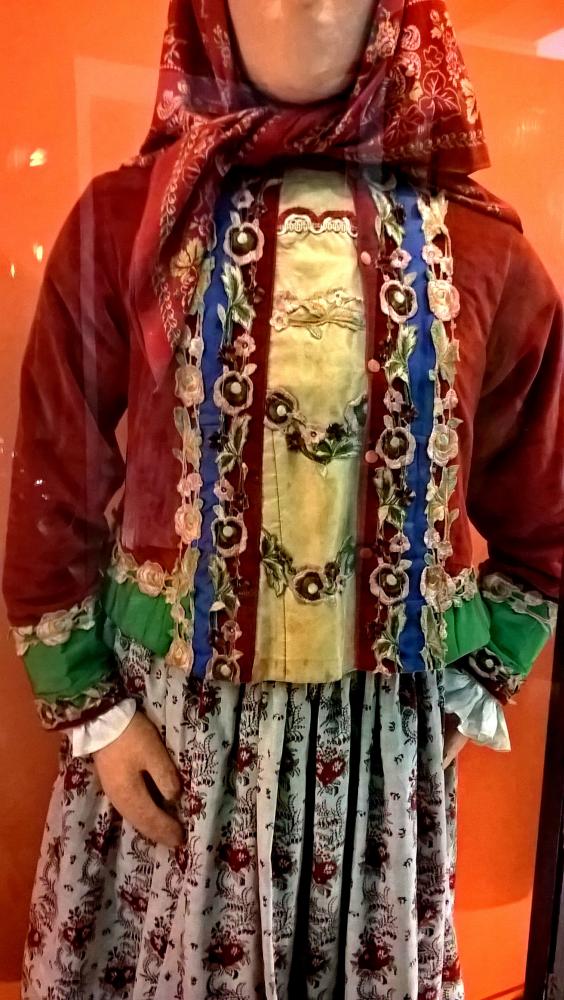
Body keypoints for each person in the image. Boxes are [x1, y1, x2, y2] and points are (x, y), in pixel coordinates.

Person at [3, 0, 562, 996]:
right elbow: (56, 470)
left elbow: (544, 504)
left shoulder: (484, 252)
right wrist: (98, 716)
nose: (300, 6)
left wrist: (474, 682)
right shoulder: (128, 220)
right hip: (174, 733)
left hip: (379, 749)